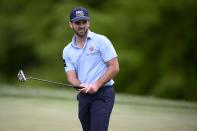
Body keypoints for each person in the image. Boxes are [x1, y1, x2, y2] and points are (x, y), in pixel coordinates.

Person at [62, 7, 119, 131]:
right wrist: (80, 85)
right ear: (71, 24)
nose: (81, 25)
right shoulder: (67, 50)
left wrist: (97, 85)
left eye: (84, 22)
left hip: (103, 93)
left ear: (88, 23)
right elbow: (71, 77)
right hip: (84, 96)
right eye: (77, 22)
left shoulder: (101, 41)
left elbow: (114, 67)